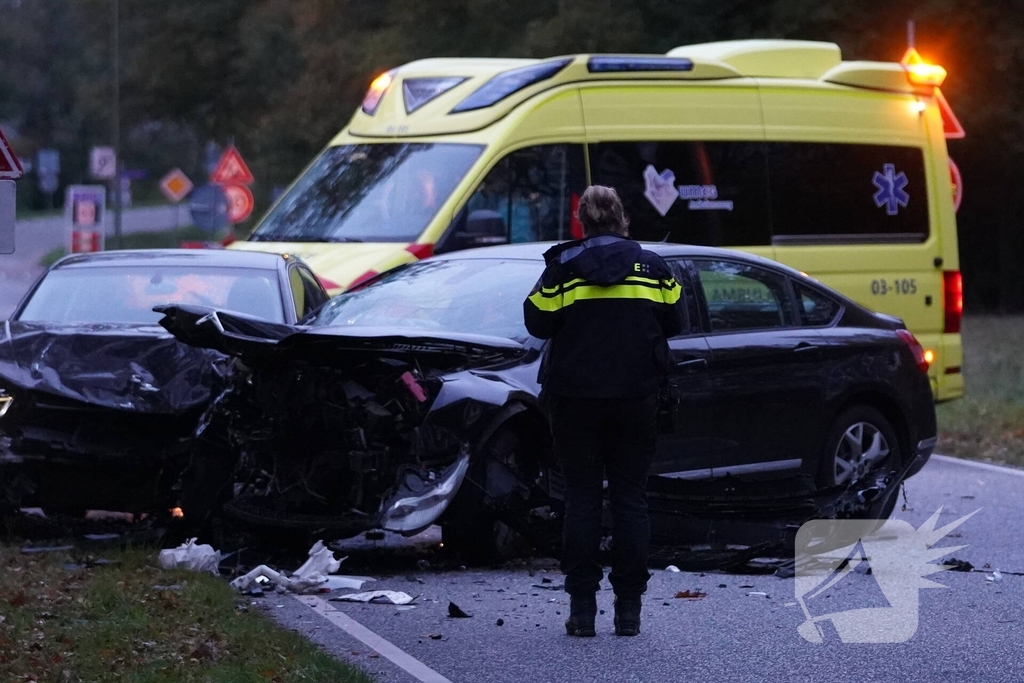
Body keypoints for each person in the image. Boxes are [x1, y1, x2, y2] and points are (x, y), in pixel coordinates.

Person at [523, 185, 682, 637]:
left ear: (583, 222)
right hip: (637, 400)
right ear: (621, 219)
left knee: (583, 500)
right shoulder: (652, 268)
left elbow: (535, 319)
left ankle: (582, 611)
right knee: (631, 500)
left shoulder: (564, 270)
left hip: (575, 403)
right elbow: (676, 321)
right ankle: (629, 612)